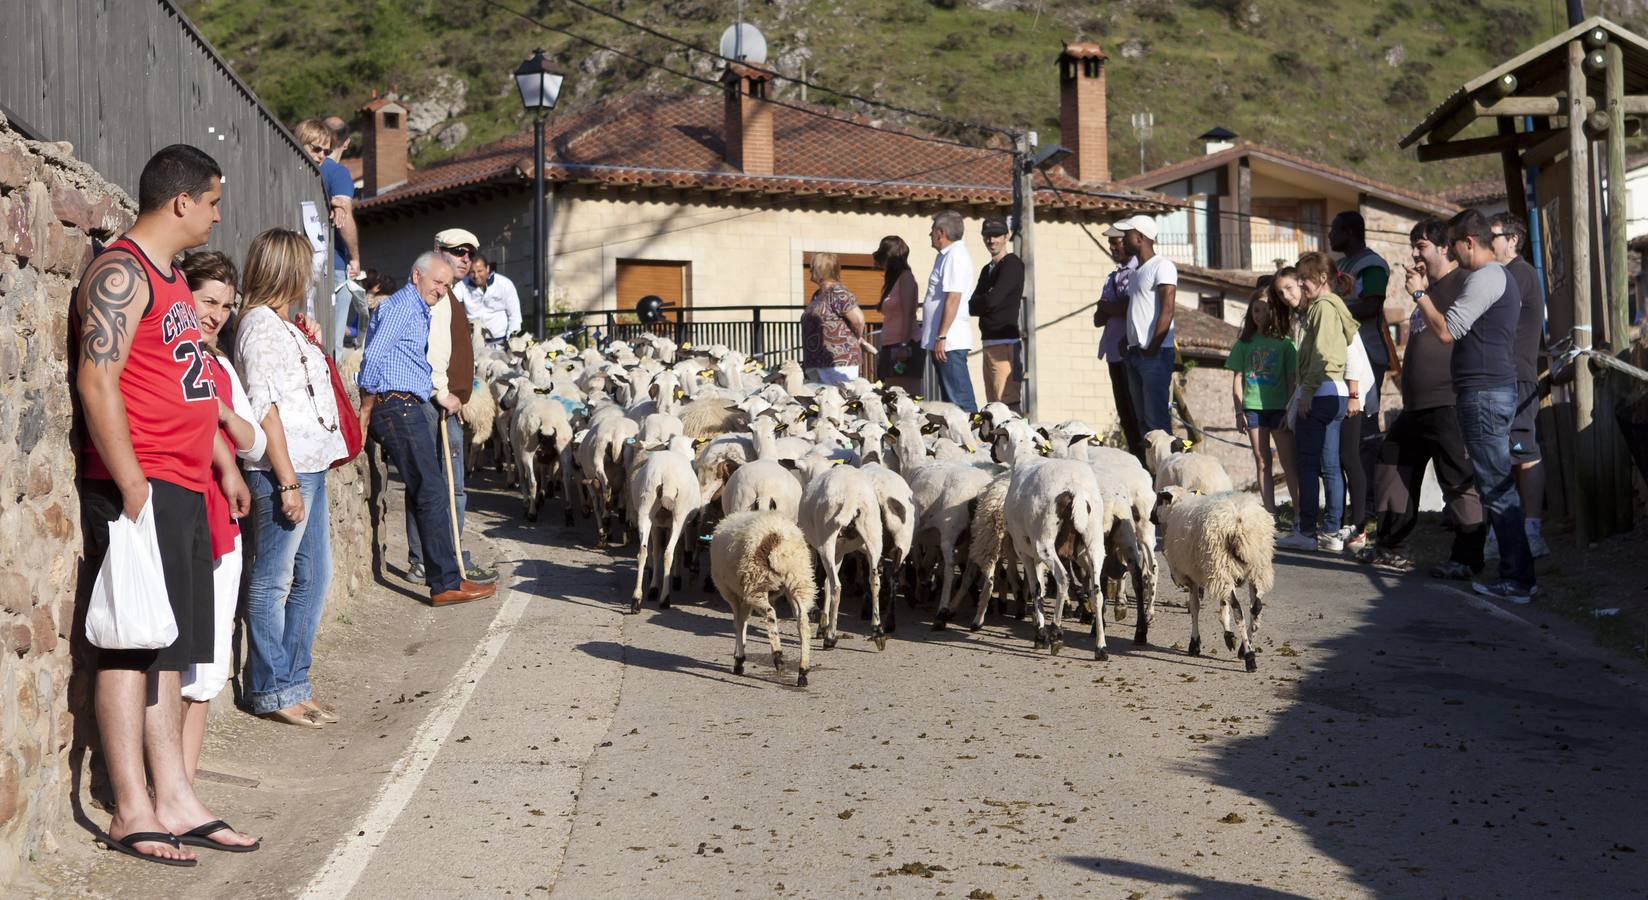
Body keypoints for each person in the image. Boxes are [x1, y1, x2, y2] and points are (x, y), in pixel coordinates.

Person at [74, 144, 258, 863]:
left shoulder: (173, 279)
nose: (216, 214)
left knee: (170, 654)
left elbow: (188, 386)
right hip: (140, 486)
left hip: (182, 486)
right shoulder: (121, 271)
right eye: (212, 201)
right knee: (130, 649)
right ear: (181, 201)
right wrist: (130, 486)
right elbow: (98, 381)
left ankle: (175, 796)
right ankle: (130, 808)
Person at [233, 229, 348, 729]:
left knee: (314, 576)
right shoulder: (257, 327)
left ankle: (295, 681)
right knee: (274, 579)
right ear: (286, 269)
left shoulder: (283, 325)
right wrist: (285, 482)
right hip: (286, 468)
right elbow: (267, 410)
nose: (311, 276)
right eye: (305, 266)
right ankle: (270, 687)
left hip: (311, 463)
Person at [1411, 209, 1537, 603]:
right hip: (1488, 390)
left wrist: (1419, 295)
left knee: (1497, 487)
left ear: (1469, 241)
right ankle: (1518, 576)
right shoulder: (1496, 277)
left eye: (1452, 244)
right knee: (1496, 483)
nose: (1449, 251)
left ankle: (1517, 579)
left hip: (1483, 392)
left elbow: (1448, 330)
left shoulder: (1485, 278)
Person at [358, 252, 497, 607]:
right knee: (432, 491)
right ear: (416, 274)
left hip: (407, 404)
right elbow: (373, 357)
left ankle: (448, 577)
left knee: (431, 490)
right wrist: (367, 405)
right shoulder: (403, 307)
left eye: (447, 285)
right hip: (396, 405)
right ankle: (445, 582)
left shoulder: (418, 309)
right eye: (437, 282)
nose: (441, 290)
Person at [178, 251, 266, 782]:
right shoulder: (172, 357)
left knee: (208, 666)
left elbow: (253, 443)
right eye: (207, 300)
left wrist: (226, 414)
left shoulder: (223, 367)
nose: (216, 314)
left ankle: (184, 779)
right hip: (183, 514)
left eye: (225, 306)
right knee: (172, 664)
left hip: (221, 527)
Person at [1359, 218, 1487, 577]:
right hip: (1417, 406)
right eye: (1413, 246)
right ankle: (1391, 544)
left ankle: (1467, 559)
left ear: (1445, 247)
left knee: (1457, 479)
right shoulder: (1431, 287)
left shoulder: (1463, 283)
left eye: (1422, 246)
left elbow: (1450, 330)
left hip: (1449, 400)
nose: (1414, 253)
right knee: (1391, 462)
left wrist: (1419, 294)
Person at [406, 229, 496, 584]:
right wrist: (442, 392)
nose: (465, 258)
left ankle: (429, 558)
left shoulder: (449, 297)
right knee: (445, 488)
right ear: (437, 250)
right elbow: (432, 352)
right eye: (457, 251)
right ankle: (447, 560)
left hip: (446, 405)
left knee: (432, 485)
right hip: (437, 406)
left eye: (470, 253)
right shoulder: (439, 299)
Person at [1276, 252, 1357, 553]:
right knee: (1331, 466)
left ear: (1322, 279)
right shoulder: (1337, 308)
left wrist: (1305, 394)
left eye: (1304, 279)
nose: (1300, 285)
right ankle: (1333, 532)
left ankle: (1307, 532)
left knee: (1307, 467)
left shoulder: (1322, 308)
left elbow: (1323, 355)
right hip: (1336, 393)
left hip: (1320, 392)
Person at [1490, 212, 1549, 558]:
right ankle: (1505, 530)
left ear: (1512, 239)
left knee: (1524, 453)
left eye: (1492, 235)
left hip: (1517, 377)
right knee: (1500, 455)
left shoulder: (1520, 274)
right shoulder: (1502, 274)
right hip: (1501, 377)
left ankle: (1532, 530)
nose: (1487, 242)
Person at [1331, 210, 1392, 510]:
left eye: (1334, 230)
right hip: (1342, 357)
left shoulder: (1373, 266)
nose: (1330, 236)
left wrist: (1334, 312)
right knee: (1345, 432)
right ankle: (1353, 498)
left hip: (1367, 355)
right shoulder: (1341, 266)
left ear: (1348, 232)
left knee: (1366, 429)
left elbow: (1371, 305)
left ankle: (1371, 498)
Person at [1225, 286, 1298, 514]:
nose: (1260, 315)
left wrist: (1289, 409)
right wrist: (1239, 412)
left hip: (1279, 410)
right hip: (1253, 410)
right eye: (1256, 310)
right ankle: (1270, 515)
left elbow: (1291, 380)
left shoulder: (1286, 344)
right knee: (1262, 461)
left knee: (1288, 462)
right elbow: (1238, 378)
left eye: (1265, 310)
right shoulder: (1244, 343)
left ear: (1274, 312)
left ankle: (1299, 516)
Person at [1112, 215, 1177, 436]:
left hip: (1155, 355)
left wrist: (1152, 347)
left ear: (1140, 237)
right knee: (1142, 422)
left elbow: (1167, 310)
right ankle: (1151, 470)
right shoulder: (1137, 273)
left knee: (1156, 421)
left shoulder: (1163, 266)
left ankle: (1166, 468)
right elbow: (1139, 310)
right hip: (1135, 353)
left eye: (1126, 235)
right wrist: (1126, 340)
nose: (1123, 240)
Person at [921, 209, 978, 412]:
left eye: (932, 230)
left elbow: (953, 297)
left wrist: (942, 336)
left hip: (949, 341)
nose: (930, 235)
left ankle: (975, 441)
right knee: (951, 405)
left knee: (961, 402)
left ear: (941, 232)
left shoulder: (955, 256)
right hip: (944, 340)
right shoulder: (946, 256)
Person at [1093, 231, 1143, 459]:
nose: (1113, 248)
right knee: (1125, 416)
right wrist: (1108, 307)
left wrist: (1108, 307)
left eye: (1116, 243)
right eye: (1110, 244)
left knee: (1137, 413)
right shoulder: (1112, 277)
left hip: (1130, 351)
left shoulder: (1136, 272)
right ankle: (1137, 462)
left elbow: (1127, 306)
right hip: (1113, 352)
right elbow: (1098, 317)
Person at [970, 217, 1024, 409]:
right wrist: (987, 298)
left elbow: (993, 300)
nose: (991, 241)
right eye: (987, 236)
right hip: (989, 343)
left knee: (1007, 406)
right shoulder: (987, 270)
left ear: (1006, 237)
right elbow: (972, 305)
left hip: (1005, 344)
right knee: (993, 407)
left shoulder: (1012, 264)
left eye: (996, 236)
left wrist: (986, 298)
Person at [321, 116, 362, 360]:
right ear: (346, 143)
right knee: (333, 342)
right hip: (335, 263)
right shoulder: (338, 172)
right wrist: (355, 258)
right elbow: (344, 218)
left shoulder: (307, 165)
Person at [800, 252, 866, 385]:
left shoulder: (837, 292)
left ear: (821, 268)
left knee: (839, 401)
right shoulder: (817, 295)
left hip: (838, 362)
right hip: (816, 362)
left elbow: (858, 319)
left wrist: (857, 336)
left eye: (812, 266)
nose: (810, 270)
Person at [872, 235, 920, 390]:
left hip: (904, 346)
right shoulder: (894, 281)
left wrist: (903, 346)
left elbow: (908, 314)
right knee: (891, 395)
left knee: (906, 396)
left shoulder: (906, 278)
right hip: (890, 344)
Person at [460, 251, 521, 346]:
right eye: (472, 272)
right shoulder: (462, 285)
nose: (476, 276)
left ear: (487, 269)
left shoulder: (504, 284)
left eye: (480, 271)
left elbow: (514, 315)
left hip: (501, 341)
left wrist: (511, 340)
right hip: (474, 342)